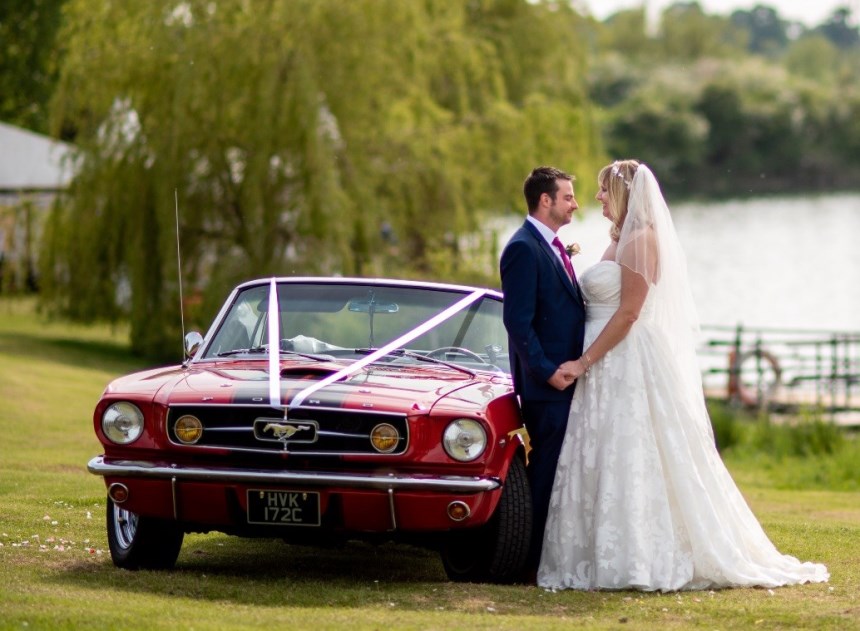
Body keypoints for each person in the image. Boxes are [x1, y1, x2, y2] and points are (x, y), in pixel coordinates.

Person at [538, 160, 829, 591]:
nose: (597, 198)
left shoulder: (641, 240)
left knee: (635, 451)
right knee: (606, 451)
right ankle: (601, 553)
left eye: (602, 189)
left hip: (626, 361)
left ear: (621, 192)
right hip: (606, 365)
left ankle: (640, 557)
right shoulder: (619, 240)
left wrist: (583, 362)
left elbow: (630, 313)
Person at [500, 166, 586, 579]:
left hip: (565, 382)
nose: (575, 204)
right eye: (568, 196)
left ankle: (541, 556)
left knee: (557, 470)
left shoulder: (549, 244)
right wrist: (547, 372)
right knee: (545, 474)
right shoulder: (522, 248)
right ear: (545, 200)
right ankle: (525, 562)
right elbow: (518, 322)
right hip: (547, 387)